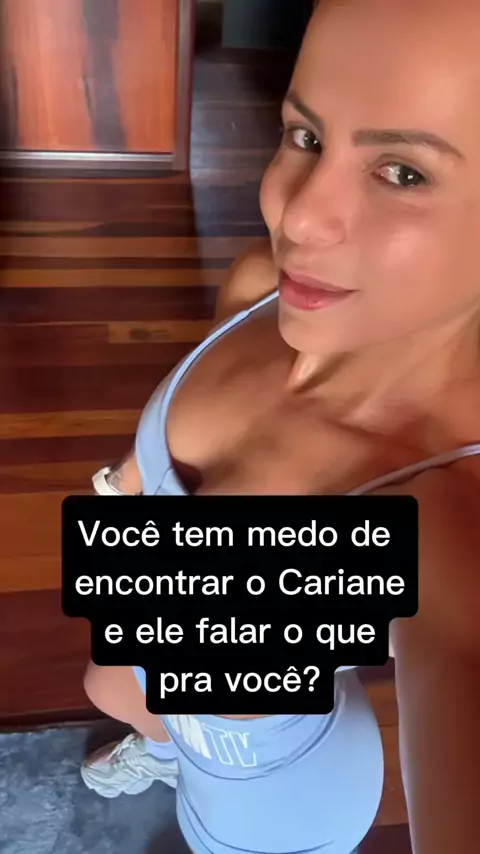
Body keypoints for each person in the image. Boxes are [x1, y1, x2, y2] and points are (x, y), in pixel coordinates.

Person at [81, 0, 480, 852]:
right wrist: (123, 496)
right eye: (305, 136)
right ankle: (160, 749)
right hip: (159, 643)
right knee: (111, 690)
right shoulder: (258, 288)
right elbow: (152, 463)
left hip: (270, 795)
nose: (297, 217)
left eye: (403, 172)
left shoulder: (445, 516)